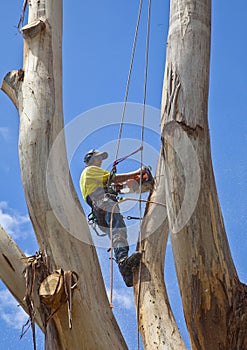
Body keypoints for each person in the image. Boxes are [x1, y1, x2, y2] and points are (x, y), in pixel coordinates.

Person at [80, 149, 145, 287]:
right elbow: (114, 178)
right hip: (104, 203)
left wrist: (124, 185)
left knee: (117, 233)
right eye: (98, 158)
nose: (100, 161)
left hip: (99, 210)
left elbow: (113, 185)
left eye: (101, 158)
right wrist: (137, 172)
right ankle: (123, 263)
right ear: (90, 160)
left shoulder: (93, 177)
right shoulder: (90, 170)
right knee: (119, 231)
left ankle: (127, 275)